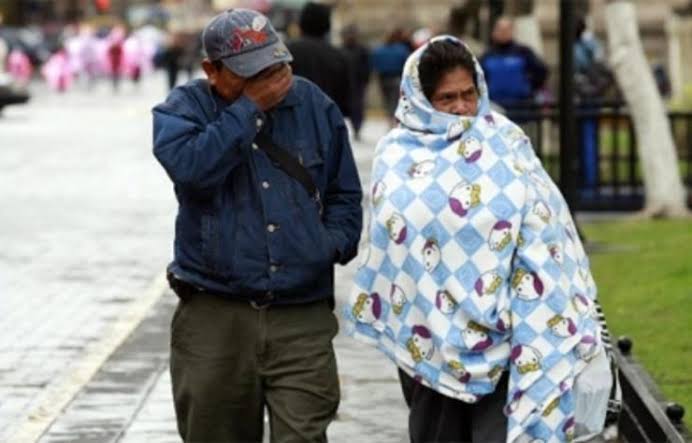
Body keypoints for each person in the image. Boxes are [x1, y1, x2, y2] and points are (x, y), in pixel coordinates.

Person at [347, 36, 603, 442]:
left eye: (469, 94)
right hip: (429, 333)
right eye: (447, 98)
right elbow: (393, 233)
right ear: (421, 98)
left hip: (512, 331)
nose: (462, 107)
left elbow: (547, 219)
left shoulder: (506, 139)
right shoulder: (397, 153)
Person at [152, 9, 363, 443]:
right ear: (212, 70)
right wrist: (248, 111)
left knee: (305, 433)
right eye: (251, 72)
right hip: (214, 315)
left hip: (300, 313)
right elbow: (191, 168)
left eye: (274, 65)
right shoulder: (182, 110)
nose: (270, 79)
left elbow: (345, 195)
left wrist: (327, 245)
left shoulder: (314, 105)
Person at [287, 2, 353, 119]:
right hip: (327, 122)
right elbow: (346, 99)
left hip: (292, 121)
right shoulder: (339, 56)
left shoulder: (287, 52)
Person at [480, 17, 548, 108]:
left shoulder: (524, 52)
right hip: (494, 106)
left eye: (506, 29)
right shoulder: (487, 56)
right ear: (494, 32)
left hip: (521, 106)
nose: (503, 32)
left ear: (512, 31)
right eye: (500, 29)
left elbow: (542, 71)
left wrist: (529, 89)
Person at [371, 28, 411, 126]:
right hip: (396, 77)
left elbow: (374, 64)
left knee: (387, 99)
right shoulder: (401, 50)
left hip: (383, 78)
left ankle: (390, 119)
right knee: (395, 100)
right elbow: (407, 64)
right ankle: (394, 119)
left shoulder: (379, 50)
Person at [341, 24, 371, 141]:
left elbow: (367, 67)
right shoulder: (341, 50)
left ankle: (357, 128)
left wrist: (365, 80)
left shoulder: (362, 50)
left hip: (358, 84)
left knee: (358, 107)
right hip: (344, 84)